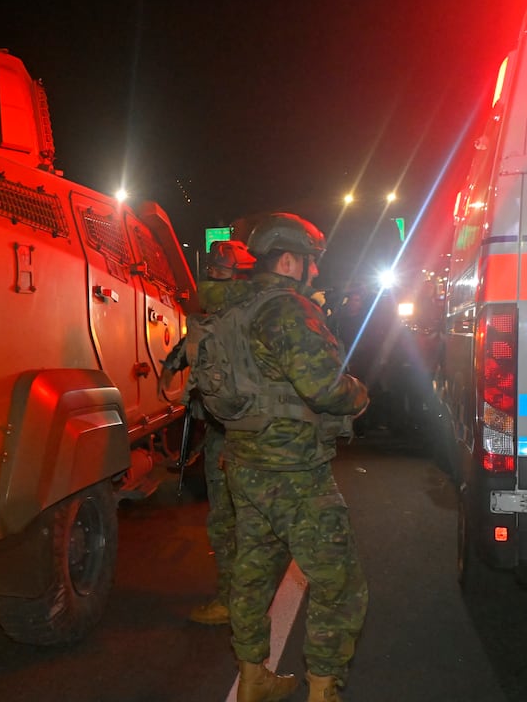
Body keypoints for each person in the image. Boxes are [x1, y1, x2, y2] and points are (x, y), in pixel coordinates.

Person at [217, 213, 370, 702]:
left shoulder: (233, 307)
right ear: (289, 260)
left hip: (243, 463)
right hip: (294, 471)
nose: (315, 273)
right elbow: (324, 386)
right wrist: (360, 393)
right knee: (338, 583)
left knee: (252, 573)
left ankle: (253, 679)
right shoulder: (288, 310)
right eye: (311, 263)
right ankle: (323, 691)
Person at [159, 239, 257, 625]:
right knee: (236, 521)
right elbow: (184, 353)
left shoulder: (242, 321)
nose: (211, 281)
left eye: (220, 274)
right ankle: (241, 599)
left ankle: (235, 603)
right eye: (211, 273)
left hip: (236, 435)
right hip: (226, 432)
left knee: (231, 522)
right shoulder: (224, 318)